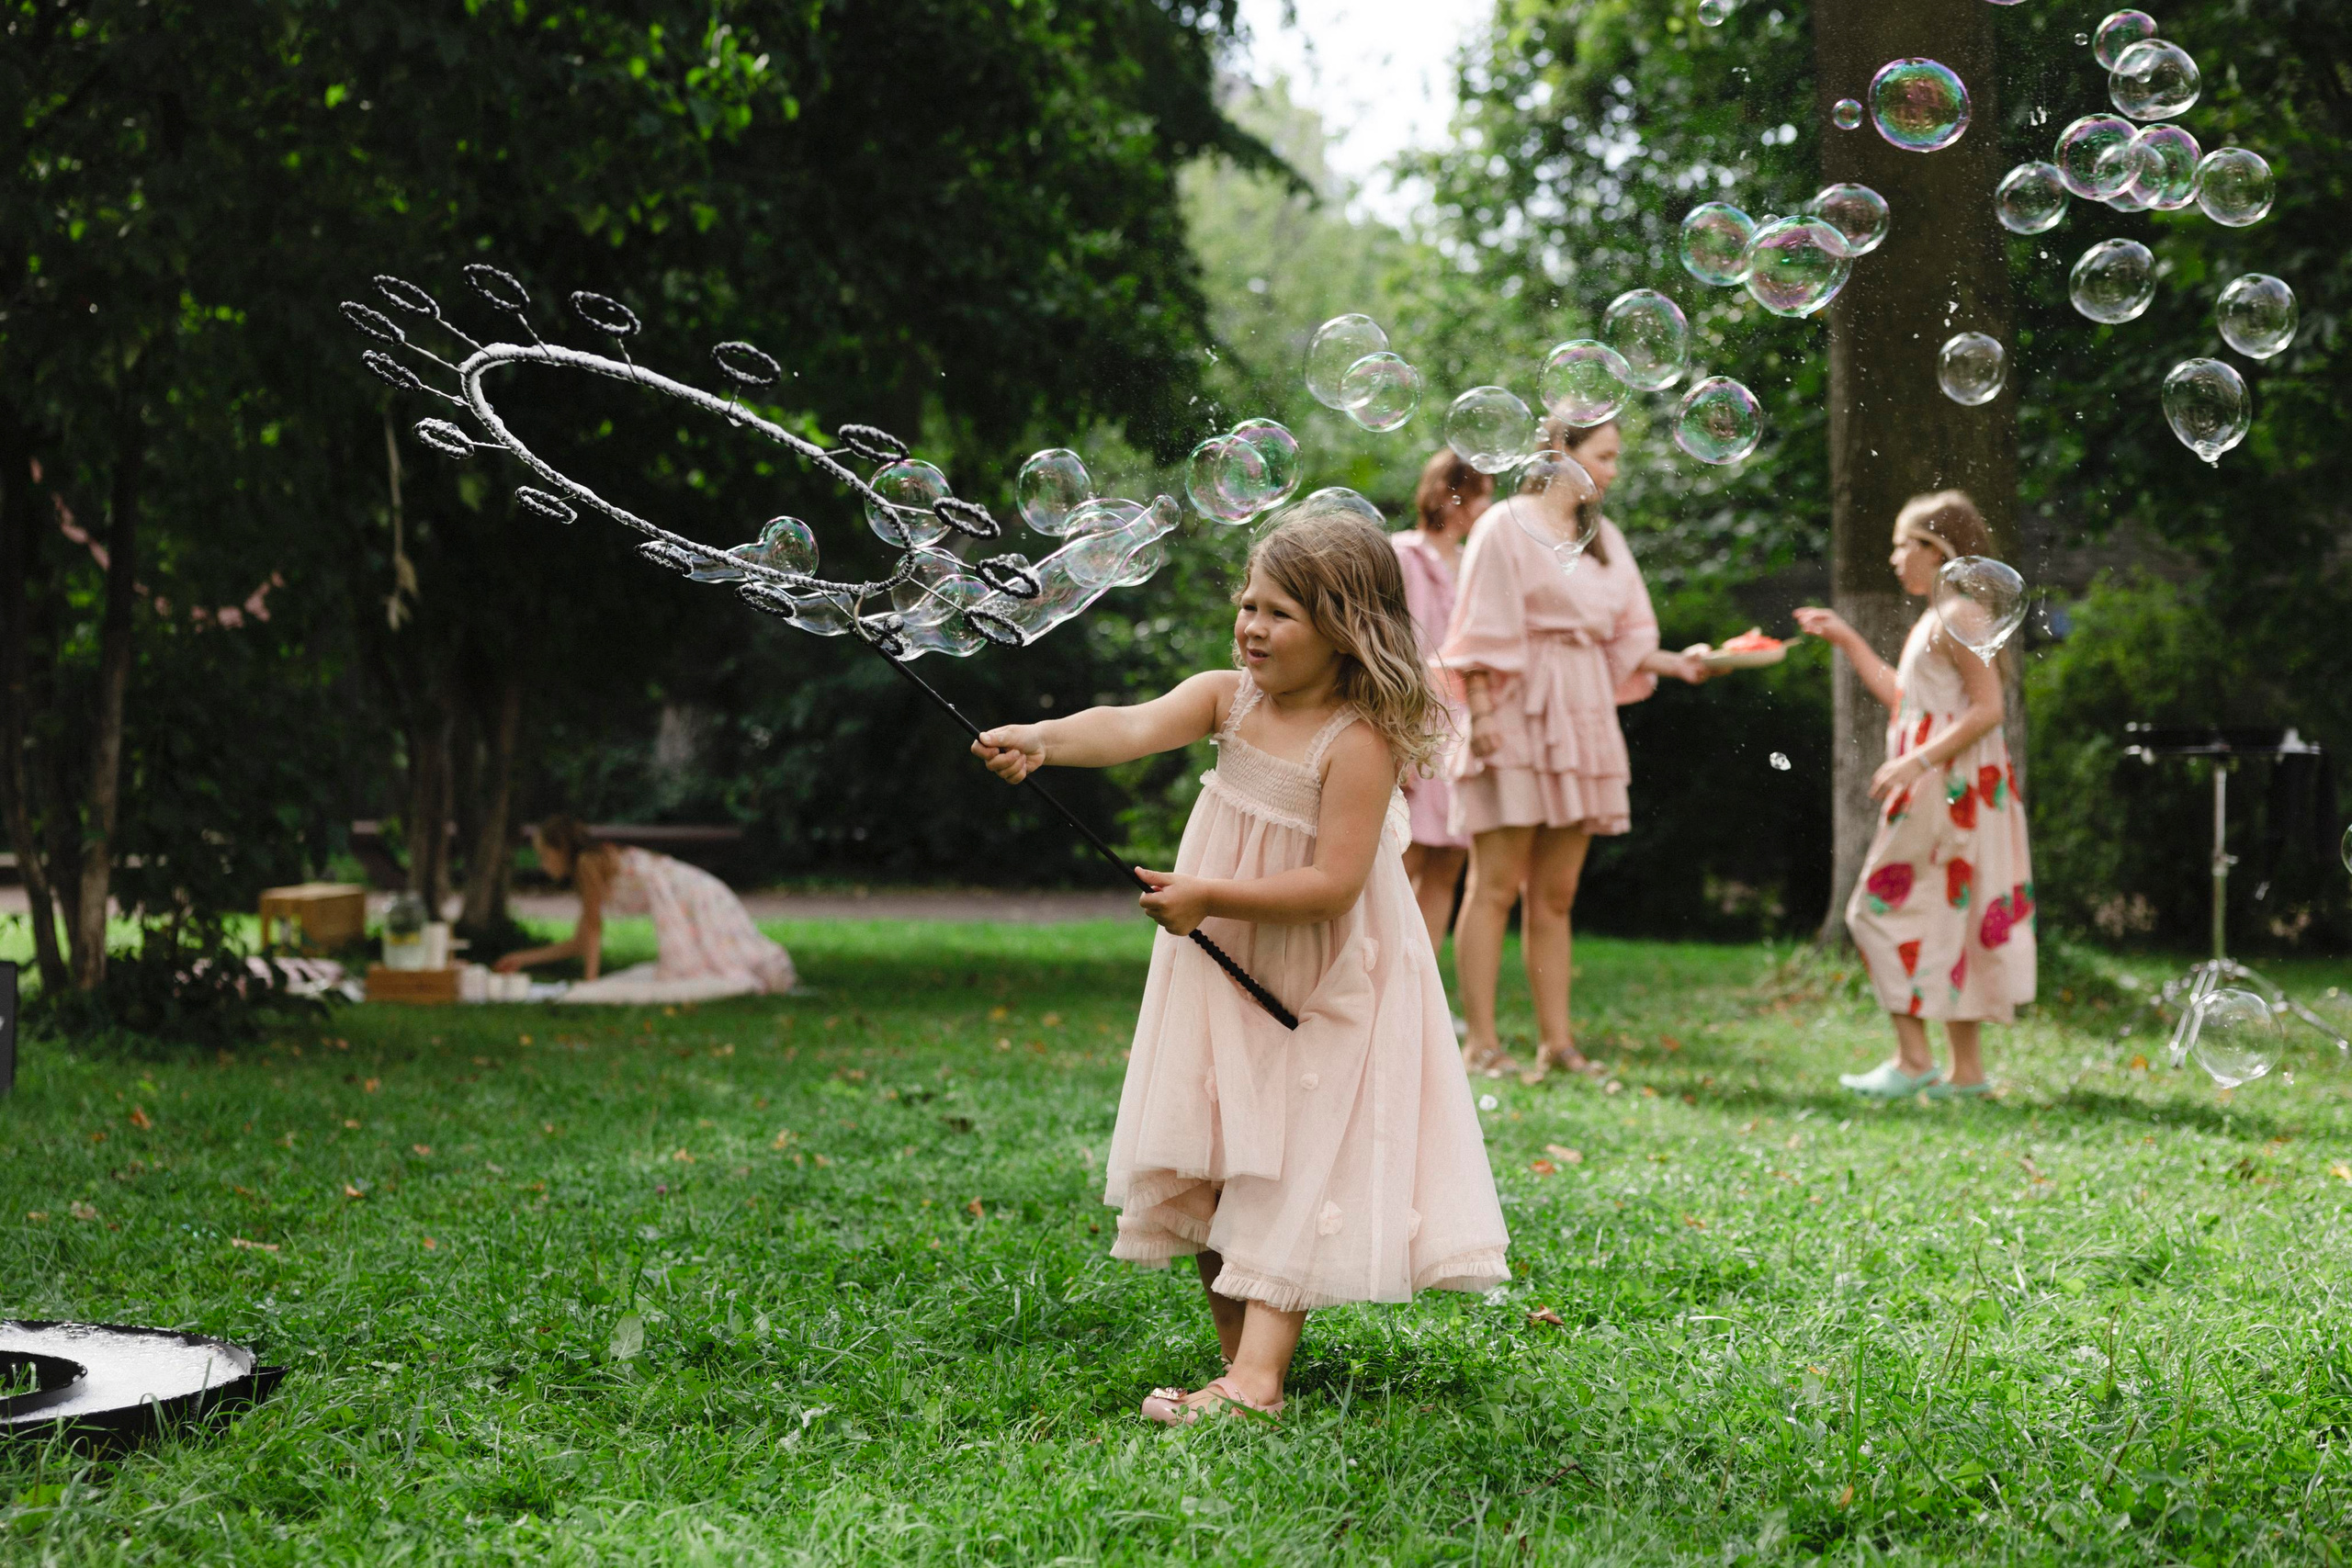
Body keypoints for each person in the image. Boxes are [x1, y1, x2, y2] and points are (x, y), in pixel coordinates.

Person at [970, 502, 1510, 1423]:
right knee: (1219, 1147)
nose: (1251, 627)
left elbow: (1335, 885)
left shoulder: (1358, 740)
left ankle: (1256, 1383)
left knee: (1294, 1157)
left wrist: (1208, 895)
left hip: (1322, 975)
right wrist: (1045, 740)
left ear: (1343, 629)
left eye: (1278, 613)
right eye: (1247, 605)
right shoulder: (1231, 697)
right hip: (1219, 963)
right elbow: (1129, 724)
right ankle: (1240, 1367)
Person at [1438, 418, 1710, 1082]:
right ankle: (1481, 1043)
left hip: (1584, 715)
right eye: (1605, 456)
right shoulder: (1505, 523)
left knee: (1556, 894)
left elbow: (1628, 635)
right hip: (1514, 708)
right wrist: (1481, 715)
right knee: (1495, 884)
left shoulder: (1604, 541)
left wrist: (1686, 663)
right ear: (1563, 453)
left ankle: (1556, 1044)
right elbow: (1474, 629)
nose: (1614, 470)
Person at [1795, 491, 2034, 1098]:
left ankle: (1912, 1060)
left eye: (1904, 545)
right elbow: (1908, 699)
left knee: (1871, 908)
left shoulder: (1961, 617)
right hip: (1948, 788)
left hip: (1947, 787)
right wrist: (1847, 640)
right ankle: (1966, 1073)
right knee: (1956, 916)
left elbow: (1988, 710)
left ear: (1936, 551)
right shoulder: (1940, 618)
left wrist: (1914, 762)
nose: (1895, 558)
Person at [494, 818, 797, 1000]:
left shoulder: (588, 864)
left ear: (561, 850)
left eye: (545, 855)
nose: (543, 865)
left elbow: (594, 932)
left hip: (692, 893)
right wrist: (524, 959)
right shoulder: (592, 865)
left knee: (712, 963)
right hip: (692, 890)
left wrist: (589, 986)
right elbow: (581, 940)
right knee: (715, 958)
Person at [1390, 449, 1492, 955]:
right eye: (1482, 494)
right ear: (1453, 494)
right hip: (1415, 721)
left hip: (1462, 727)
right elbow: (1394, 646)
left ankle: (1420, 993)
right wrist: (1397, 736)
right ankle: (1374, 986)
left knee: (1448, 864)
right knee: (1402, 863)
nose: (1487, 507)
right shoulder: (1403, 554)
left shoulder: (1476, 562)